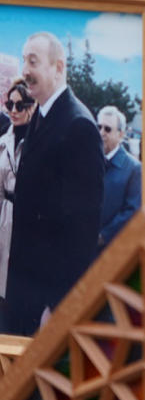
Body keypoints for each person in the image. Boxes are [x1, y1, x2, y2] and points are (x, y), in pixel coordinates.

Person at [6, 32, 104, 335]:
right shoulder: (42, 116)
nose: (25, 71)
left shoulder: (79, 127)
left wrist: (58, 304)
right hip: (24, 290)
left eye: (33, 61)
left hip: (46, 302)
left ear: (58, 67)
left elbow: (82, 233)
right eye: (24, 61)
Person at [0, 76, 29, 318]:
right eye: (10, 105)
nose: (14, 111)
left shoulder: (39, 141)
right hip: (4, 215)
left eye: (20, 105)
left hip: (29, 218)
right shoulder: (3, 142)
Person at [97, 105, 140, 248]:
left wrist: (103, 236)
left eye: (107, 129)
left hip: (111, 251)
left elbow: (132, 211)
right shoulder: (89, 160)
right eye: (99, 127)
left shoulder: (134, 168)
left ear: (121, 134)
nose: (101, 133)